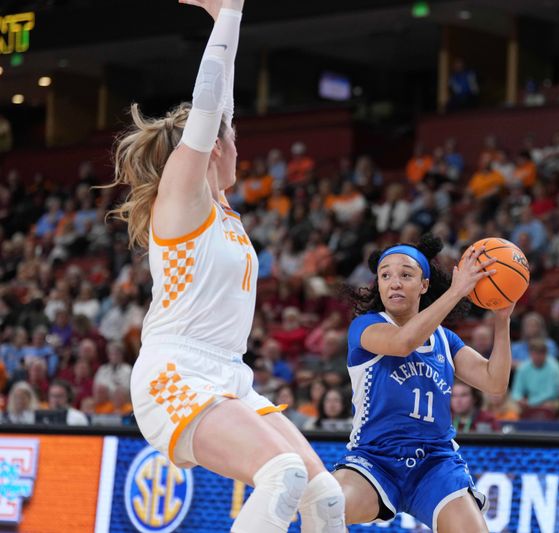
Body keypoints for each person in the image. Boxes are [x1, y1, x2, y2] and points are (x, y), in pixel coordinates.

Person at [106, 2, 345, 531]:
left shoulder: (219, 208)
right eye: (228, 133)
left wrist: (222, 20)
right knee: (282, 474)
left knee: (324, 494)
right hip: (176, 373)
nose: (238, 138)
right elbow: (211, 101)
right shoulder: (182, 198)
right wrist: (231, 10)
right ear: (212, 148)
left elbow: (222, 104)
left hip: (228, 374)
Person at [334, 235, 513, 531]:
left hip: (435, 464)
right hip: (376, 459)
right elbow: (404, 342)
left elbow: (495, 382)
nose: (394, 282)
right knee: (326, 506)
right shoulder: (364, 327)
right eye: (385, 275)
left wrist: (502, 319)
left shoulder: (445, 339)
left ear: (424, 285)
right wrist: (457, 291)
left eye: (406, 275)